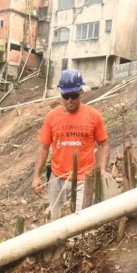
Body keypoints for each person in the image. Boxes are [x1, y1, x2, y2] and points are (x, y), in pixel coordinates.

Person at [32, 69, 110, 219]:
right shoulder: (52, 117)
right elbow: (43, 147)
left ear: (81, 92)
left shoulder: (93, 116)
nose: (69, 100)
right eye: (65, 96)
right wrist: (36, 176)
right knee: (56, 221)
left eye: (73, 96)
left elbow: (104, 144)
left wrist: (103, 169)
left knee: (79, 221)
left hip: (83, 180)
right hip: (57, 179)